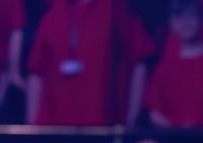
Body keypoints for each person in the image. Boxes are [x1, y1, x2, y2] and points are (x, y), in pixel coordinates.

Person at [24, 0, 154, 125]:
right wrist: (32, 127)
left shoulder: (117, 10)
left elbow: (139, 63)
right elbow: (36, 71)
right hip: (51, 132)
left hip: (101, 133)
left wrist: (131, 124)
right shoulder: (52, 12)